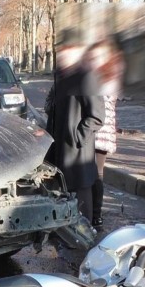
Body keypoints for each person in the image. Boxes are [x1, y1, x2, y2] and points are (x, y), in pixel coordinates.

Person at [44, 33, 105, 225]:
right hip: (57, 147)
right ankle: (64, 234)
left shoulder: (86, 76)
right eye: (60, 50)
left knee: (80, 196)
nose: (62, 54)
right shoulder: (61, 76)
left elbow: (96, 115)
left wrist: (78, 137)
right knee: (60, 191)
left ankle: (83, 235)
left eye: (66, 50)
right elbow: (51, 105)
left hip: (76, 150)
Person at [86, 40, 124, 232]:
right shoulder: (108, 75)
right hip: (103, 131)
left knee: (95, 174)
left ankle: (94, 215)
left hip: (98, 130)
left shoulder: (102, 78)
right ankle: (95, 216)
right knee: (96, 173)